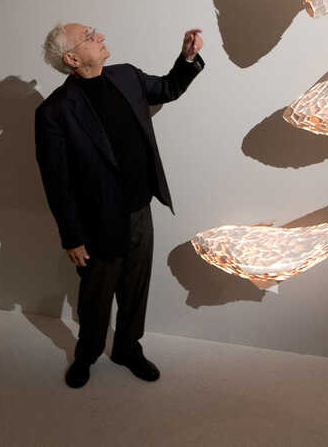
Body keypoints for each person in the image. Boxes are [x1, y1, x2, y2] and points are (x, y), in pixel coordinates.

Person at [35, 22, 204, 388]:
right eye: (91, 36)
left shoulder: (126, 75)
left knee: (135, 287)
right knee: (96, 296)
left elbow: (167, 87)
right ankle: (87, 354)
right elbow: (57, 182)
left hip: (140, 209)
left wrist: (187, 59)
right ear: (73, 58)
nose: (101, 37)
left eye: (96, 32)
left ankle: (128, 348)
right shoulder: (55, 111)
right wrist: (72, 237)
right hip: (97, 222)